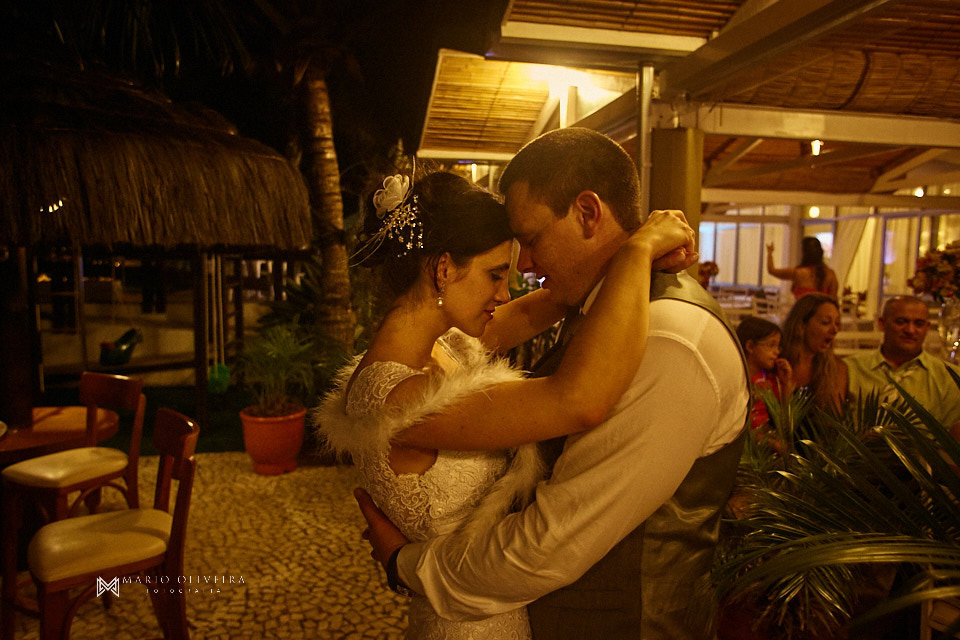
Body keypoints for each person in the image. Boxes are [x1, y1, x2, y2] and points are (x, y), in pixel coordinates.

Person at [355, 128, 750, 640]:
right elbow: (576, 398)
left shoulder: (669, 340)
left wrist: (634, 255)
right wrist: (634, 252)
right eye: (499, 268)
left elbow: (541, 309)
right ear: (443, 270)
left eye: (531, 239)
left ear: (588, 213)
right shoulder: (397, 390)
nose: (522, 271)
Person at [845, 295, 960, 433]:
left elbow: (950, 441)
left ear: (927, 327)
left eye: (918, 324)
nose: (910, 330)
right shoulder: (849, 369)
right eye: (901, 322)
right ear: (881, 323)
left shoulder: (949, 378)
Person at [781, 292, 848, 412]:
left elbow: (833, 423)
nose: (835, 330)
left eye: (837, 323)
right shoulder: (777, 362)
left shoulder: (836, 369)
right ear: (801, 326)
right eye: (825, 322)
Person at [736, 316, 794, 430]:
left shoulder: (770, 381)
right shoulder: (737, 381)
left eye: (778, 347)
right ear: (750, 346)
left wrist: (787, 383)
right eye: (771, 345)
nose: (776, 351)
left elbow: (788, 416)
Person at [766, 237, 839, 300]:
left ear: (804, 253)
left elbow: (772, 270)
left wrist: (770, 252)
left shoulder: (798, 273)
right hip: (823, 315)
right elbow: (833, 300)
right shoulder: (830, 274)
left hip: (803, 315)